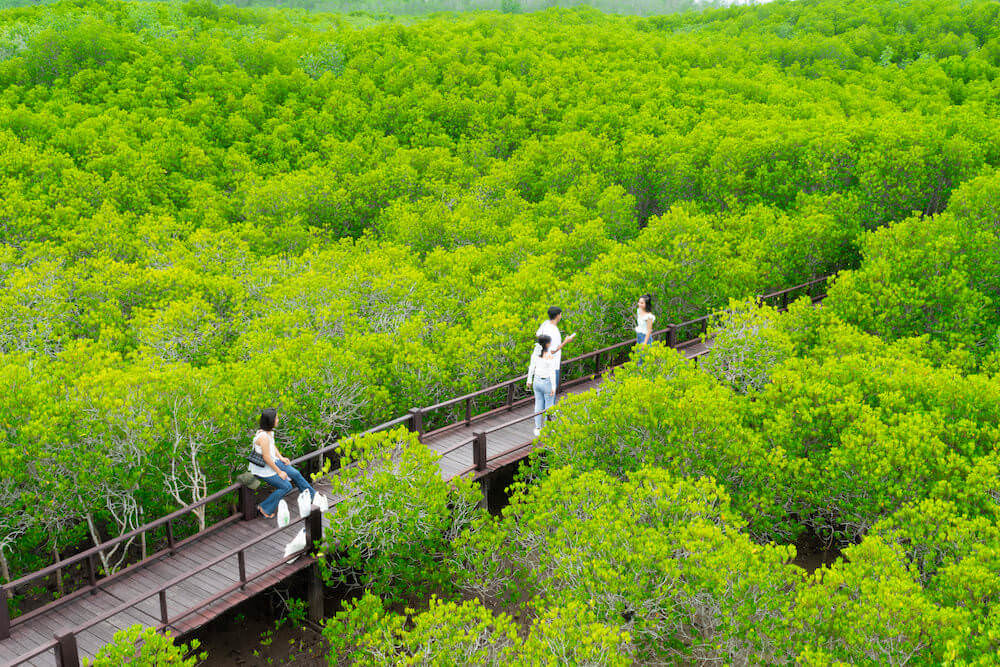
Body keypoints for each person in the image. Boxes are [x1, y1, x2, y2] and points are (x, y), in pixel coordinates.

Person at [249, 408, 317, 519]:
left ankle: (312, 497)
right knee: (286, 486)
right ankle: (264, 507)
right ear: (270, 421)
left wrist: (280, 457)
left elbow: (272, 446)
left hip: (273, 461)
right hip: (264, 468)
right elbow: (266, 458)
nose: (278, 420)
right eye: (276, 418)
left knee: (295, 473)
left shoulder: (268, 432)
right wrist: (279, 472)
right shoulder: (263, 437)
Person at [526, 334, 572, 437]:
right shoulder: (549, 355)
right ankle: (548, 428)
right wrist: (554, 387)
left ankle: (538, 428)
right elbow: (552, 373)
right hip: (547, 382)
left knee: (538, 404)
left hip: (536, 381)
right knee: (549, 406)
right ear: (547, 344)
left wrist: (529, 380)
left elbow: (531, 367)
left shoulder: (536, 352)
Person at [536, 306, 571, 393]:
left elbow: (538, 335)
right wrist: (566, 341)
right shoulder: (554, 331)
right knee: (551, 393)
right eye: (560, 314)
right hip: (552, 365)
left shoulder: (545, 323)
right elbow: (552, 351)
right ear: (558, 316)